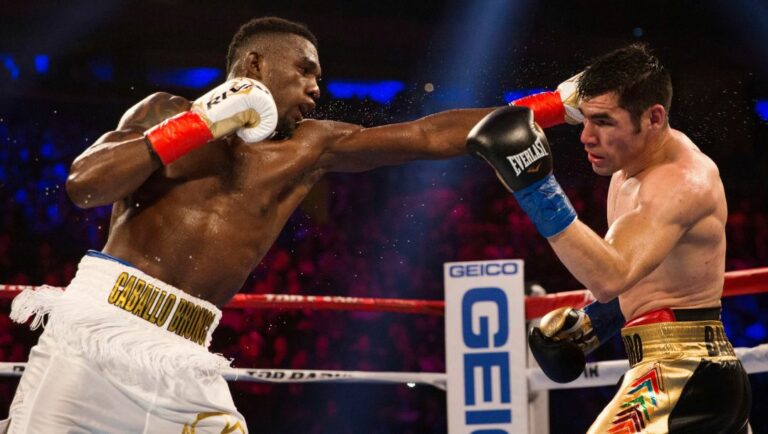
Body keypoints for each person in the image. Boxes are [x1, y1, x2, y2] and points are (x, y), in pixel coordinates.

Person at [2, 17, 579, 433]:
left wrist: (558, 106)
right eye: (305, 71)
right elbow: (85, 185)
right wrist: (203, 122)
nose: (315, 89)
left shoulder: (310, 148)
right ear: (254, 65)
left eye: (318, 78)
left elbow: (426, 135)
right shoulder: (164, 113)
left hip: (186, 354)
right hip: (98, 332)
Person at [468, 44, 751, 433]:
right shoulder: (626, 172)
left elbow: (609, 279)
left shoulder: (682, 181)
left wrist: (535, 187)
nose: (586, 136)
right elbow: (640, 282)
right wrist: (590, 327)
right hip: (681, 368)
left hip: (684, 373)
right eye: (584, 119)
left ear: (653, 117)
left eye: (603, 121)